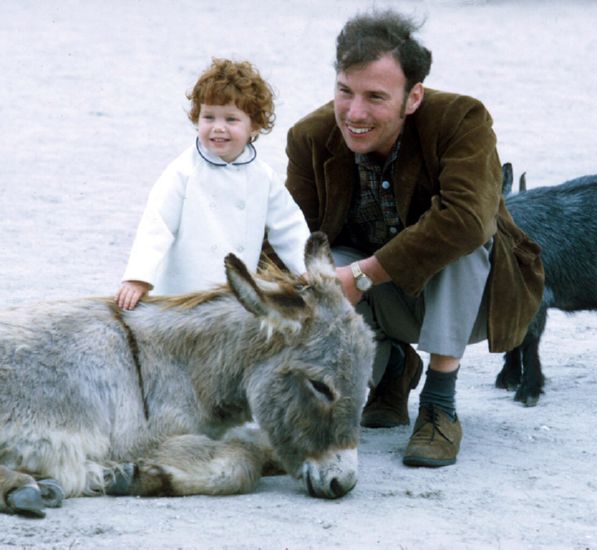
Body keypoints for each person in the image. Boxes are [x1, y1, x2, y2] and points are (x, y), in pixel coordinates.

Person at [284, 10, 544, 467]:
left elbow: (466, 221)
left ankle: (440, 406)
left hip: (475, 301)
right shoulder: (309, 137)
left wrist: (362, 276)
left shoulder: (462, 119)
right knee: (317, 265)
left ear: (414, 96)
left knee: (463, 243)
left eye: (376, 97)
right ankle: (391, 373)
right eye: (345, 91)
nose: (355, 113)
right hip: (387, 301)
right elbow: (293, 235)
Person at [117, 58, 310, 309]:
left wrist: (307, 271)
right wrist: (138, 278)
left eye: (231, 119)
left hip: (234, 296)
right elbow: (156, 224)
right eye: (209, 117)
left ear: (255, 126)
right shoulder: (183, 171)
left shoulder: (263, 177)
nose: (218, 128)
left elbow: (289, 226)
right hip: (182, 295)